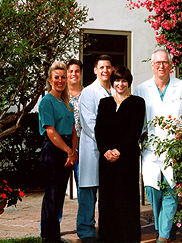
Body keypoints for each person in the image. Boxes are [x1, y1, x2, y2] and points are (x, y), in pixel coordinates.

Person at [133, 49, 182, 243]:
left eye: (165, 62)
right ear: (152, 65)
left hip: (174, 148)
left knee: (172, 190)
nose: (161, 66)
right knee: (153, 190)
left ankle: (161, 237)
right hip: (151, 149)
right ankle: (164, 229)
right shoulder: (141, 89)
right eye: (157, 63)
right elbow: (136, 120)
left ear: (170, 65)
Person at [95, 66, 145, 243]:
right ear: (112, 82)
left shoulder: (138, 102)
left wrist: (119, 150)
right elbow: (98, 130)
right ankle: (108, 238)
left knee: (126, 199)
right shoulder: (104, 103)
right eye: (117, 80)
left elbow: (135, 130)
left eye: (124, 80)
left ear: (128, 82)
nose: (120, 84)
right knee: (108, 199)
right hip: (107, 159)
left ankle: (129, 238)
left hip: (127, 158)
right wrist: (105, 151)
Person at [38, 62, 78, 243]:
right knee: (52, 195)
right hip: (54, 151)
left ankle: (54, 235)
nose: (60, 80)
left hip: (67, 150)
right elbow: (51, 131)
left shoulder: (65, 101)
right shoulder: (47, 101)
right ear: (50, 80)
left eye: (63, 77)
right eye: (57, 77)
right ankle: (49, 236)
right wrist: (69, 151)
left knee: (60, 194)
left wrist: (74, 151)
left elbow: (73, 128)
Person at [77, 55, 115, 243]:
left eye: (108, 67)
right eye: (101, 67)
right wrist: (106, 143)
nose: (105, 70)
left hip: (110, 150)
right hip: (93, 148)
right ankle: (86, 231)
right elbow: (89, 122)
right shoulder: (89, 92)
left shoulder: (116, 90)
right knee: (89, 190)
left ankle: (107, 228)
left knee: (108, 191)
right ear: (95, 70)